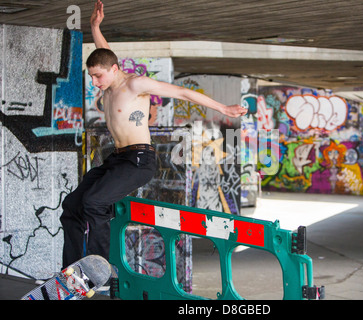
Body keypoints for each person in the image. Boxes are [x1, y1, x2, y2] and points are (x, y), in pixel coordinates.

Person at [60, 0, 247, 268]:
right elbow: (105, 52)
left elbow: (182, 92)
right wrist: (94, 26)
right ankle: (73, 268)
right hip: (117, 159)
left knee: (93, 202)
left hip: (139, 161)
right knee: (72, 205)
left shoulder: (135, 84)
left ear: (114, 70)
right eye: (92, 77)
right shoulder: (109, 76)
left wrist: (224, 108)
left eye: (98, 77)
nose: (95, 83)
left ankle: (99, 267)